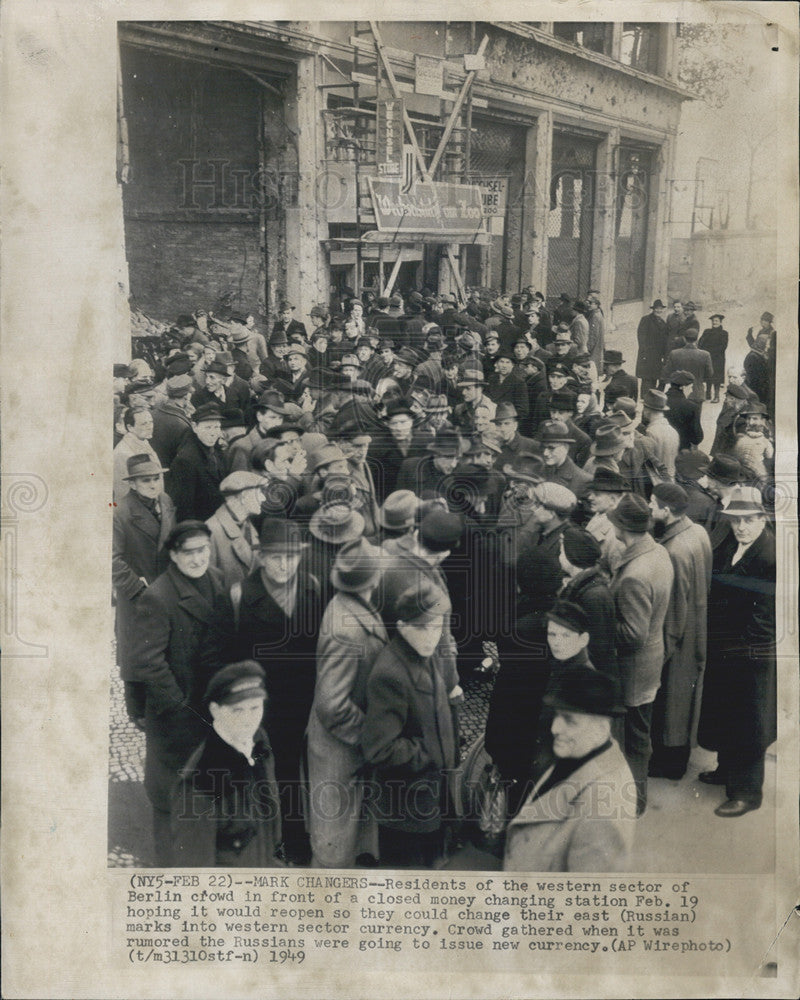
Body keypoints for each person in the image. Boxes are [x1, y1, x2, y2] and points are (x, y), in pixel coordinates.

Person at [201, 518, 324, 864]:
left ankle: (306, 841)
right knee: (272, 783)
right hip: (261, 715)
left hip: (305, 707)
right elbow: (214, 662)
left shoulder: (312, 589)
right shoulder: (238, 599)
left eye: (292, 557)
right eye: (275, 557)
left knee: (304, 776)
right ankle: (276, 848)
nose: (285, 565)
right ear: (262, 557)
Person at [128, 520, 225, 865]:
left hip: (210, 714)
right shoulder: (158, 597)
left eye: (204, 550)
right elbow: (149, 664)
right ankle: (167, 874)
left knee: (204, 800)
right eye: (190, 552)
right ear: (173, 554)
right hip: (176, 722)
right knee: (170, 802)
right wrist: (181, 707)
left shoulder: (217, 580)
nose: (199, 559)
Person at [362, 580, 461, 867]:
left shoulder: (426, 654)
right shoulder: (390, 675)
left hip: (431, 796)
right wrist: (429, 751)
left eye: (437, 626)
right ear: (404, 627)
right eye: (423, 627)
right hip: (405, 810)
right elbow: (379, 749)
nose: (432, 635)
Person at [503, 665, 635, 873]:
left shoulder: (604, 811)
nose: (555, 728)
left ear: (601, 728)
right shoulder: (579, 752)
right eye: (557, 715)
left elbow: (585, 901)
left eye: (570, 721)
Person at [307, 539, 388, 868]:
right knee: (332, 850)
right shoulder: (347, 631)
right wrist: (370, 736)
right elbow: (332, 706)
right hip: (339, 753)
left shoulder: (352, 604)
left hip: (345, 749)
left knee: (346, 841)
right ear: (371, 579)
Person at [697, 487, 776, 816]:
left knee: (749, 721)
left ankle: (747, 791)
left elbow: (766, 617)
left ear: (762, 519)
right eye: (736, 521)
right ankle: (726, 769)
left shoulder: (769, 555)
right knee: (727, 713)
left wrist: (744, 650)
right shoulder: (730, 544)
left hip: (749, 655)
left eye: (749, 520)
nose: (741, 527)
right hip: (725, 648)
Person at [171, 661, 283, 867]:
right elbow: (195, 872)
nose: (249, 720)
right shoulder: (200, 783)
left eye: (255, 708)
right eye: (237, 711)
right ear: (215, 710)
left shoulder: (259, 740)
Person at [608, 494, 674, 816]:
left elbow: (633, 635)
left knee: (632, 739)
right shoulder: (658, 552)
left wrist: (601, 622)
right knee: (639, 734)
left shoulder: (635, 573)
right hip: (651, 661)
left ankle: (633, 802)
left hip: (633, 669)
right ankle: (637, 798)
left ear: (623, 528)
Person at [647, 483, 713, 780]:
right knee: (685, 702)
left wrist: (663, 651)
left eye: (652, 503)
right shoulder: (697, 533)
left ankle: (670, 765)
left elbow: (674, 610)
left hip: (679, 637)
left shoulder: (673, 550)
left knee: (671, 706)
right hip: (698, 626)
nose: (649, 508)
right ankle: (677, 758)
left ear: (666, 510)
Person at [112, 454, 176, 724]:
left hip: (164, 588)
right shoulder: (121, 512)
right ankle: (136, 710)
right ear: (133, 484)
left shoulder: (166, 501)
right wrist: (136, 585)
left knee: (162, 646)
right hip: (137, 595)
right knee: (134, 650)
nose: (152, 484)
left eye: (156, 478)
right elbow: (111, 558)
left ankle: (160, 701)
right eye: (145, 480)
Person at [558, 527, 617, 689]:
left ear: (573, 556)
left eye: (562, 551)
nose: (559, 556)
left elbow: (597, 649)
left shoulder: (593, 596)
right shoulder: (582, 585)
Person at [168, 402, 228, 521]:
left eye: (217, 427)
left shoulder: (216, 450)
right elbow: (184, 508)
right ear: (195, 427)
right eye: (208, 427)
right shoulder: (185, 460)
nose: (213, 433)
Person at [205, 471, 263, 588]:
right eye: (259, 493)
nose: (263, 498)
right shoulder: (211, 530)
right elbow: (208, 585)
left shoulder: (248, 525)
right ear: (244, 497)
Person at [536, 420, 591, 500]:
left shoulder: (583, 481)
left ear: (566, 448)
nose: (545, 453)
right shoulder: (538, 470)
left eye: (551, 448)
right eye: (543, 447)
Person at [113, 406, 159, 500]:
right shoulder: (123, 453)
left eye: (151, 422)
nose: (150, 427)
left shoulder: (143, 442)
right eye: (144, 424)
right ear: (130, 427)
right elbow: (122, 491)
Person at [660, 329, 713, 408]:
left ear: (684, 339)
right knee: (695, 418)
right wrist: (699, 379)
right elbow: (709, 374)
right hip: (697, 393)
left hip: (678, 393)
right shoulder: (705, 355)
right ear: (697, 339)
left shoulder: (674, 353)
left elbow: (666, 372)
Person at [640, 388, 679, 479]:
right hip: (670, 477)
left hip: (657, 479)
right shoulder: (672, 430)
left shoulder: (650, 432)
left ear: (647, 410)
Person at [635, 299, 668, 393]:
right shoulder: (646, 319)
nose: (659, 311)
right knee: (646, 376)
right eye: (657, 308)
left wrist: (663, 354)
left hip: (657, 355)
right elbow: (641, 336)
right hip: (647, 353)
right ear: (653, 309)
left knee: (655, 375)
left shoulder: (662, 322)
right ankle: (645, 395)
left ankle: (652, 395)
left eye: (660, 309)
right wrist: (644, 352)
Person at [665, 370, 703, 449]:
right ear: (683, 387)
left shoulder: (658, 400)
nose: (692, 390)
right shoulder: (692, 407)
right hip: (681, 450)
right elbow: (697, 438)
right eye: (691, 387)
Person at [698, 314, 729, 402]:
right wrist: (703, 352)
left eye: (716, 321)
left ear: (720, 322)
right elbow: (701, 343)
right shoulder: (707, 331)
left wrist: (709, 351)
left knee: (717, 377)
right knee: (708, 375)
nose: (714, 322)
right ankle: (708, 394)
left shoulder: (724, 333)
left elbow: (723, 346)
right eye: (713, 321)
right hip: (707, 357)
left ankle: (716, 396)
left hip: (718, 358)